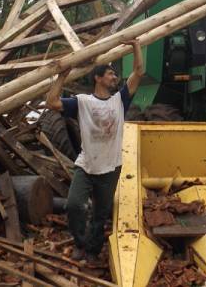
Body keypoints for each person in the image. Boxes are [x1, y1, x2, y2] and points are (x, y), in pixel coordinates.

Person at [46, 39, 144, 261]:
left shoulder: (121, 100)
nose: (114, 77)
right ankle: (80, 242)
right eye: (110, 74)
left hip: (111, 167)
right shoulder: (82, 102)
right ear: (98, 78)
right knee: (73, 205)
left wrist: (136, 46)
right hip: (87, 165)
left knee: (101, 214)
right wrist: (63, 75)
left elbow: (138, 72)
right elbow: (51, 102)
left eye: (114, 75)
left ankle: (92, 250)